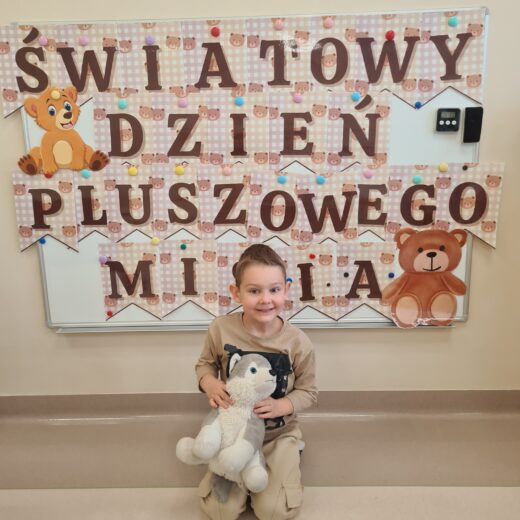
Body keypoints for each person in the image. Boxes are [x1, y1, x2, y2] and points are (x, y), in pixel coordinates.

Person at [195, 243, 318, 520]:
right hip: (233, 432)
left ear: (286, 289)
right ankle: (242, 480)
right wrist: (209, 383)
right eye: (254, 291)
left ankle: (284, 461)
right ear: (236, 292)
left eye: (274, 290)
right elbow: (204, 364)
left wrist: (281, 405)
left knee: (274, 512)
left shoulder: (298, 342)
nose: (265, 299)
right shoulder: (220, 329)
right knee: (219, 511)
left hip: (277, 435)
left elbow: (308, 392)